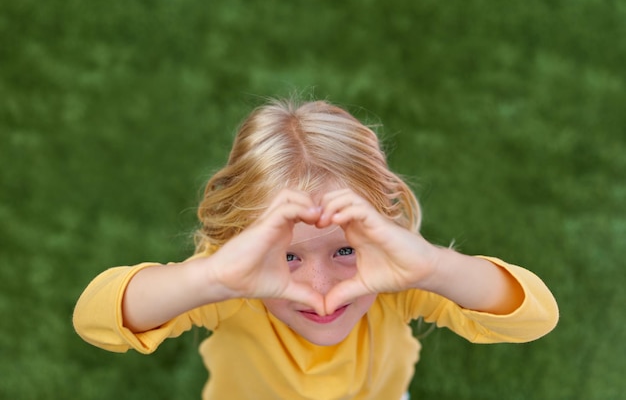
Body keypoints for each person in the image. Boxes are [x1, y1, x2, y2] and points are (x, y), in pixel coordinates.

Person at [73, 98, 559, 400]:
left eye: (344, 251)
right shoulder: (232, 282)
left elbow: (535, 318)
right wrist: (211, 279)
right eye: (289, 256)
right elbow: (94, 320)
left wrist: (433, 266)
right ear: (242, 242)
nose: (322, 289)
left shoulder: (396, 279)